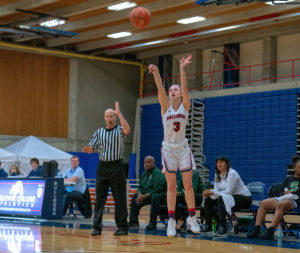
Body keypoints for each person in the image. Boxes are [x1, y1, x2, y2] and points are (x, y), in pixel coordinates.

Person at [148, 55, 200, 237]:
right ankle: (171, 220)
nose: (172, 91)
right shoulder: (165, 107)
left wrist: (182, 69)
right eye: (171, 90)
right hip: (168, 148)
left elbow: (185, 87)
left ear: (180, 94)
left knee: (188, 185)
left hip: (183, 148)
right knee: (171, 187)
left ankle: (192, 217)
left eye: (175, 89)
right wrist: (156, 73)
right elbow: (160, 89)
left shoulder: (185, 106)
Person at [83, 101, 130, 236]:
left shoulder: (120, 130)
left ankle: (122, 227)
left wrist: (119, 113)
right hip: (103, 167)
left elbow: (127, 129)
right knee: (99, 198)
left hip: (116, 166)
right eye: (107, 116)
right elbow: (92, 147)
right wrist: (88, 149)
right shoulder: (99, 132)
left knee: (119, 198)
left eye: (112, 116)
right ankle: (96, 227)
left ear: (114, 118)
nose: (110, 118)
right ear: (104, 118)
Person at [247, 156, 300, 240]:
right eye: (299, 167)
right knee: (263, 203)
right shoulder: (288, 178)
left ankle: (270, 231)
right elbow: (284, 190)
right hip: (285, 198)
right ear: (294, 168)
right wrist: (286, 192)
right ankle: (256, 229)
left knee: (281, 205)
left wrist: (291, 194)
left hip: (296, 200)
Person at [202, 155, 252, 236]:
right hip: (231, 196)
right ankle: (208, 225)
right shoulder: (217, 174)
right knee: (208, 198)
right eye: (217, 162)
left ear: (227, 164)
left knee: (222, 198)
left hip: (244, 198)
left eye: (221, 162)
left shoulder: (232, 173)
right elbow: (216, 190)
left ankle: (223, 227)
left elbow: (229, 191)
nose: (219, 164)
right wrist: (208, 192)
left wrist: (213, 193)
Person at [128, 156, 165, 230]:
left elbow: (157, 189)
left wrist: (144, 196)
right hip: (146, 195)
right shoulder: (144, 174)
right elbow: (140, 187)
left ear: (153, 163)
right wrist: (139, 194)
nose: (146, 164)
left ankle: (152, 223)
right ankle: (133, 222)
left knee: (155, 196)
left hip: (158, 195)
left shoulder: (157, 173)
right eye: (145, 162)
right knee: (135, 197)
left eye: (148, 162)